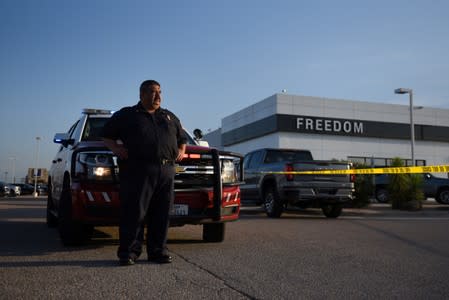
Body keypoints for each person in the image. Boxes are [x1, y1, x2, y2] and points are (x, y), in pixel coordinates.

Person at [102, 80, 187, 266]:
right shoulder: (127, 115)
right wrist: (115, 148)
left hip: (166, 170)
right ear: (141, 94)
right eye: (152, 92)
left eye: (159, 92)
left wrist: (182, 149)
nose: (158, 96)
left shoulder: (168, 116)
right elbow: (106, 135)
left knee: (162, 213)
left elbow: (182, 138)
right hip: (137, 170)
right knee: (134, 212)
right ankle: (129, 253)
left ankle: (158, 252)